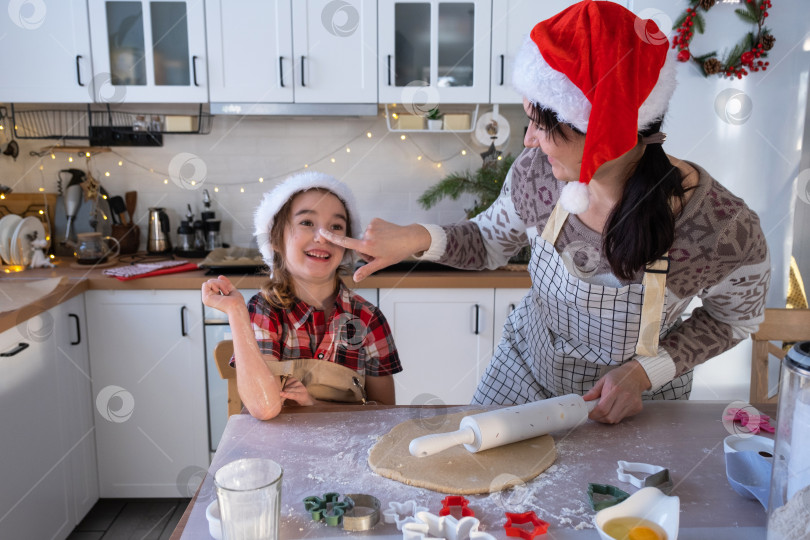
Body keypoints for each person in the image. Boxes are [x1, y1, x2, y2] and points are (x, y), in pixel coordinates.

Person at [320, 0, 770, 424]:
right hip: (527, 370)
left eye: (542, 124)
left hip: (636, 397)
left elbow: (733, 319)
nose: (529, 140)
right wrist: (416, 238)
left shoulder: (721, 227)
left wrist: (643, 372)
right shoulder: (538, 174)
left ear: (603, 131)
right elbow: (487, 243)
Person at [201, 171, 402, 420]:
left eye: (336, 227)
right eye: (307, 223)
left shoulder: (369, 319)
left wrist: (314, 406)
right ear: (276, 238)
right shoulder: (264, 311)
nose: (323, 236)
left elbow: (385, 413)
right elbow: (265, 408)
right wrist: (236, 312)